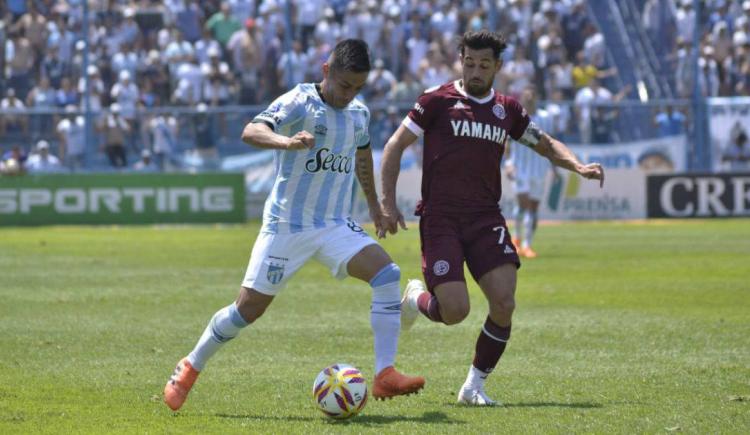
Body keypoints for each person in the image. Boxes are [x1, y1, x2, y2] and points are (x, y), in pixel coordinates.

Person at [164, 39, 425, 412]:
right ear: (326, 72)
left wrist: (376, 205)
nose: (349, 94)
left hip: (334, 224)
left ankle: (385, 375)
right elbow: (251, 130)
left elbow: (363, 154)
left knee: (387, 274)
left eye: (357, 88)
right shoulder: (300, 101)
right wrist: (285, 142)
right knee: (246, 311)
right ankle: (190, 365)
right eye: (344, 85)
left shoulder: (358, 114)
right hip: (287, 226)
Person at [379, 30, 604, 406]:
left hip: (486, 218)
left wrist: (577, 166)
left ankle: (473, 387)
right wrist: (387, 202)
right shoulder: (437, 100)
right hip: (441, 218)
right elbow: (394, 145)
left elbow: (544, 143)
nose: (475, 71)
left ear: (498, 66)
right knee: (455, 311)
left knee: (504, 303)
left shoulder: (507, 110)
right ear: (460, 60)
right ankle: (416, 296)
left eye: (484, 64)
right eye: (469, 62)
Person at [503, 87, 557, 259]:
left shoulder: (546, 118)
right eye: (526, 97)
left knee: (531, 208)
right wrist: (508, 164)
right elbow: (507, 143)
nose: (529, 99)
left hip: (540, 169)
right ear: (522, 99)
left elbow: (550, 144)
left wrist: (554, 167)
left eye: (532, 96)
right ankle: (523, 244)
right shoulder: (515, 117)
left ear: (536, 98)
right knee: (525, 205)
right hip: (520, 168)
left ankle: (522, 242)